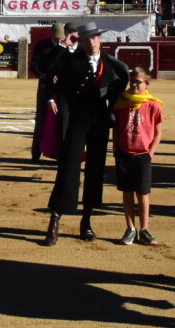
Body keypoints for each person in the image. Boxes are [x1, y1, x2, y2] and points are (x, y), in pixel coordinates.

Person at [43, 20, 130, 245]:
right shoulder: (71, 61)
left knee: (95, 170)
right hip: (77, 121)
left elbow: (123, 83)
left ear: (100, 39)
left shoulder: (110, 64)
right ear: (79, 41)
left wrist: (111, 109)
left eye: (95, 38)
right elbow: (48, 71)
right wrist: (63, 45)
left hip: (99, 122)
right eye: (86, 39)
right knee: (68, 168)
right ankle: (55, 220)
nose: (92, 42)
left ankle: (86, 220)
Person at [113, 66, 164, 246]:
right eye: (132, 81)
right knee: (127, 192)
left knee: (143, 193)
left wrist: (151, 153)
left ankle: (144, 228)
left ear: (146, 84)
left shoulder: (153, 105)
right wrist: (116, 149)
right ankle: (130, 228)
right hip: (124, 152)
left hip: (143, 154)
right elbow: (117, 128)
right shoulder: (122, 102)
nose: (134, 84)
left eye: (138, 82)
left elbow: (158, 133)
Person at [29, 22, 71, 161]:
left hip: (62, 88)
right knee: (41, 119)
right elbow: (34, 66)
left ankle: (60, 153)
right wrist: (45, 77)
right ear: (52, 34)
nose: (59, 39)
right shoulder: (42, 46)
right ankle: (36, 153)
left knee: (61, 120)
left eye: (61, 37)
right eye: (57, 37)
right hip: (44, 86)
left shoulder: (68, 47)